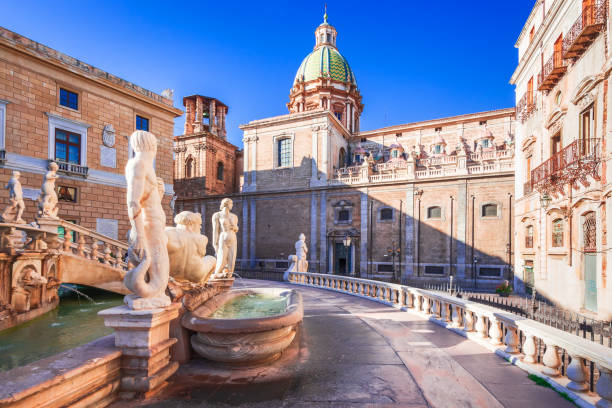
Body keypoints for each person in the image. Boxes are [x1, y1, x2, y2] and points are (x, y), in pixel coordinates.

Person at [123, 130, 170, 309]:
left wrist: (159, 193)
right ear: (152, 145)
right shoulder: (140, 164)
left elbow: (145, 200)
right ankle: (150, 297)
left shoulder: (143, 165)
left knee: (158, 279)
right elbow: (133, 202)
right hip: (150, 229)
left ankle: (147, 293)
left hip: (154, 227)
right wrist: (140, 236)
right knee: (159, 282)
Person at [211, 198, 239, 279]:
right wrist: (214, 243)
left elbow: (236, 229)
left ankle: (228, 277)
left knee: (232, 261)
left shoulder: (234, 216)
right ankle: (217, 277)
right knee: (221, 259)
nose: (232, 205)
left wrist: (235, 227)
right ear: (226, 204)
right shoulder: (217, 215)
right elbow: (215, 231)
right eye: (231, 204)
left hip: (233, 238)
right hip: (223, 237)